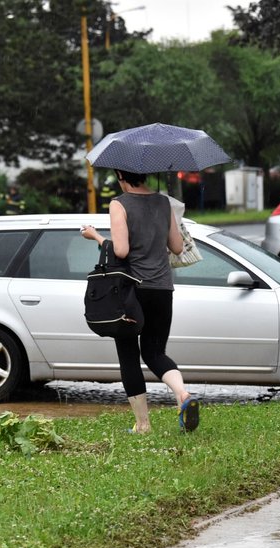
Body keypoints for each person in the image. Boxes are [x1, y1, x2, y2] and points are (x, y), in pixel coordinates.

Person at [80, 169, 199, 434]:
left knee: (129, 355)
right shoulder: (163, 201)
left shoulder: (119, 203)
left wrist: (95, 237)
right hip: (162, 289)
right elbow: (178, 247)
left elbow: (121, 250)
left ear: (122, 173)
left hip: (130, 291)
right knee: (155, 352)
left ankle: (143, 424)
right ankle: (183, 394)